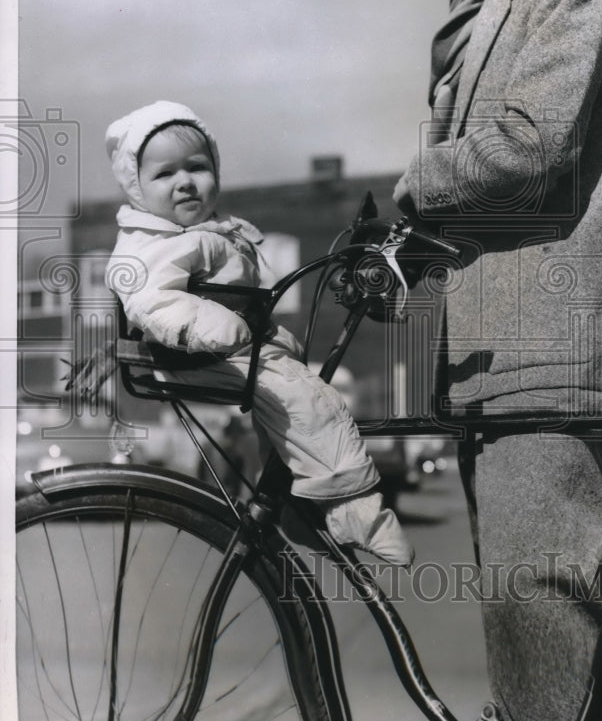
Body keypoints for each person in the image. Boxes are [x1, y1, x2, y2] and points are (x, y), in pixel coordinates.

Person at [374, 0, 602, 721]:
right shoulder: (473, 14)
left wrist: (418, 183)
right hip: (489, 351)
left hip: (546, 338)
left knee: (541, 600)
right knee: (532, 622)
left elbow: (533, 147)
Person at [105, 99, 413, 565]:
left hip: (232, 351)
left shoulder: (204, 233)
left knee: (286, 420)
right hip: (196, 355)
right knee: (310, 401)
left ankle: (294, 510)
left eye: (197, 167)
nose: (185, 181)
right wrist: (214, 326)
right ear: (137, 188)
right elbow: (152, 300)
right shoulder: (152, 242)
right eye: (165, 174)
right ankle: (357, 515)